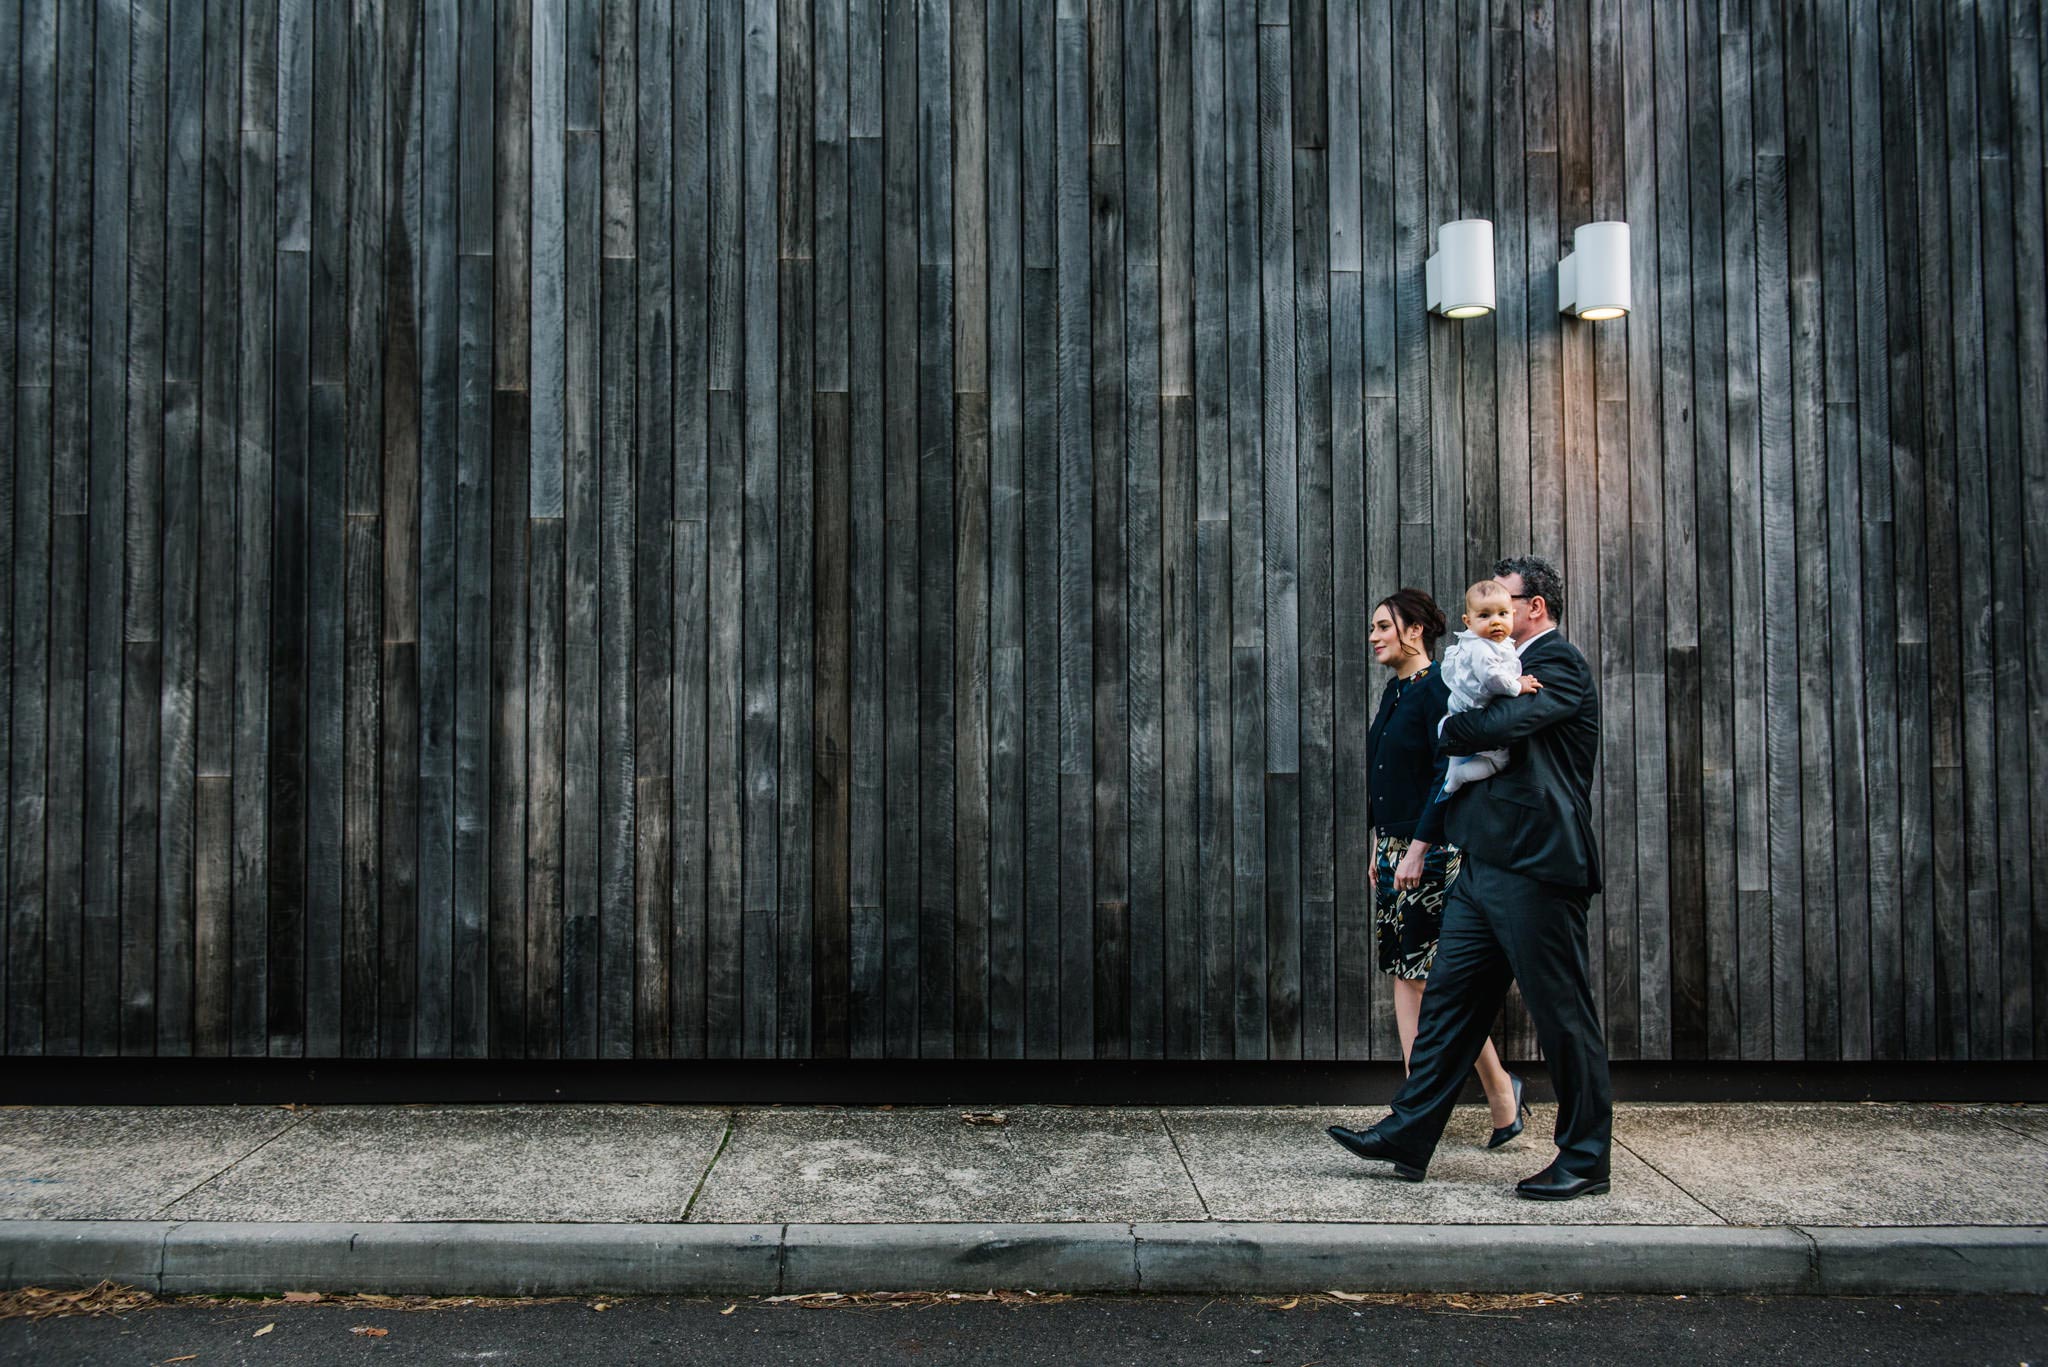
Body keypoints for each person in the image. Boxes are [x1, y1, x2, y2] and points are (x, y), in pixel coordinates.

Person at [1329, 556, 1611, 1200]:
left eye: (1506, 605)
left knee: (1563, 1016)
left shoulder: (1556, 663)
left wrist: (1452, 726)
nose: (1496, 617)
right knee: (1450, 1005)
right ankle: (1409, 1128)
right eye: (1489, 610)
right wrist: (1456, 728)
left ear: (1534, 607)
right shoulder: (1490, 661)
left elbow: (1494, 725)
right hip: (1483, 865)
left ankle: (1587, 1156)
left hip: (1538, 866)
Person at [1364, 589, 1527, 1149]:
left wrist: (1414, 848)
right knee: (1410, 977)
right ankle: (1498, 1098)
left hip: (1428, 851)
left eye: (1384, 626)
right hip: (1394, 850)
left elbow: (1445, 775)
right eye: (1373, 627)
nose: (1375, 636)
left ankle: (1419, 1111)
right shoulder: (1396, 691)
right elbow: (1387, 773)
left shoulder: (1441, 690)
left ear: (1414, 632)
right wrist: (1379, 846)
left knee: (1424, 980)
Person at [1437, 579, 1544, 796]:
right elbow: (1492, 678)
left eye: (1502, 614)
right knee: (1499, 761)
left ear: (1512, 615)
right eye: (1485, 616)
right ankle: (1459, 776)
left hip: (1463, 706)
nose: (1495, 622)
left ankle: (1454, 769)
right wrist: (1517, 686)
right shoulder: (1482, 648)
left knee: (1458, 753)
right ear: (1468, 622)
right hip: (1472, 706)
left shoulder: (1492, 643)